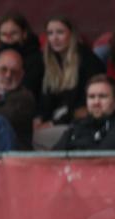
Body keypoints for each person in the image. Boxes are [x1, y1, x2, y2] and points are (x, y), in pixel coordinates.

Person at [33, 16, 105, 150]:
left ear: (71, 35)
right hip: (56, 123)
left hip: (79, 125)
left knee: (34, 138)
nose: (55, 38)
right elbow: (43, 99)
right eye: (50, 33)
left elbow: (83, 108)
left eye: (60, 32)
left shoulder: (88, 61)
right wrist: (38, 118)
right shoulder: (46, 61)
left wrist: (53, 123)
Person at [53, 75, 115, 151]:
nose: (96, 102)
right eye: (91, 97)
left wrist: (75, 146)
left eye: (102, 96)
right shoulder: (80, 123)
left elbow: (101, 158)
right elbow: (55, 155)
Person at [0, 11, 43, 101]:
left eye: (13, 34)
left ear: (24, 34)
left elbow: (29, 88)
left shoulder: (35, 59)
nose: (8, 39)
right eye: (4, 34)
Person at [0, 49, 35, 151]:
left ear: (21, 75)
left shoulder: (25, 98)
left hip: (13, 157)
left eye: (14, 72)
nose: (8, 75)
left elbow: (4, 117)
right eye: (3, 69)